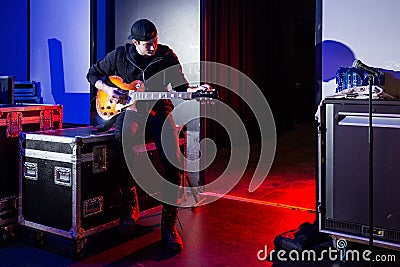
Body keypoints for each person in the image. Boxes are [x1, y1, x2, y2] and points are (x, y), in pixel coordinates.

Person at [86, 18, 201, 253]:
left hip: (159, 109)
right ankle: (131, 204)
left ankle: (168, 227)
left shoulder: (166, 55)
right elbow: (92, 74)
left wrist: (193, 91)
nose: (152, 47)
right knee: (122, 142)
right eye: (147, 44)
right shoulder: (120, 55)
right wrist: (108, 89)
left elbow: (180, 86)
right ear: (135, 42)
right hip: (132, 111)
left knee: (173, 158)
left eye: (155, 42)